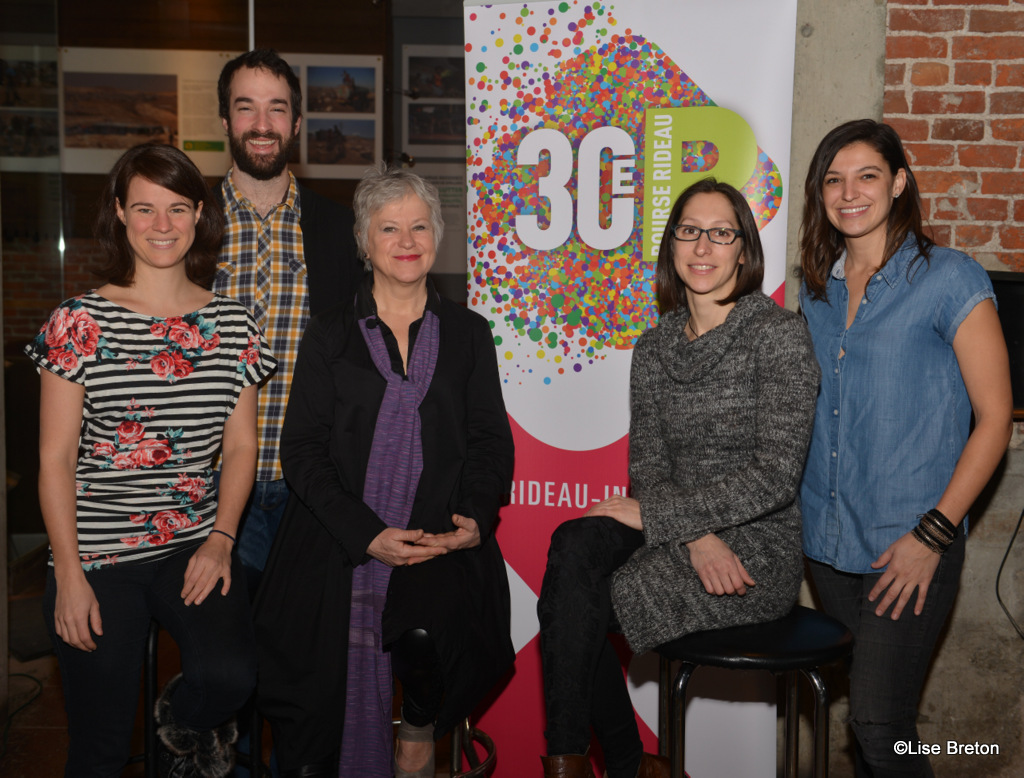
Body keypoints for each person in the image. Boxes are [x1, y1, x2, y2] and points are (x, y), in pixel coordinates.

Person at [538, 178, 821, 778]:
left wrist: (673, 522)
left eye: (722, 234)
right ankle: (591, 763)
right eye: (689, 231)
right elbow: (649, 468)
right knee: (574, 545)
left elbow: (775, 476)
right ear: (671, 246)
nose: (703, 247)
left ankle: (616, 764)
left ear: (744, 250)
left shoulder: (778, 335)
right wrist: (693, 535)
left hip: (757, 549)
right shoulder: (654, 346)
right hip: (683, 532)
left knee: (574, 604)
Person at [253, 165, 515, 778]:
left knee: (427, 635)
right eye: (389, 227)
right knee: (310, 701)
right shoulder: (330, 335)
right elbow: (303, 451)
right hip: (338, 541)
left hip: (437, 541)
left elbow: (489, 442)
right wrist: (366, 533)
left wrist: (475, 519)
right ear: (363, 240)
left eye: (419, 226)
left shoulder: (470, 335)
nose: (406, 240)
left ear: (439, 235)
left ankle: (417, 735)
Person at [28, 143, 276, 777]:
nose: (161, 225)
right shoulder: (78, 321)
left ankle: (179, 730)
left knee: (231, 677)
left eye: (176, 208)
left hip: (190, 545)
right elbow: (54, 459)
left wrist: (222, 540)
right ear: (119, 213)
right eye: (144, 208)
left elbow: (242, 445)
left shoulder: (234, 324)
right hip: (97, 553)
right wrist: (70, 576)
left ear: (199, 214)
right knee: (101, 744)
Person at [798, 119, 1012, 777]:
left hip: (911, 543)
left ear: (898, 183)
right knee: (875, 727)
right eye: (833, 180)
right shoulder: (815, 289)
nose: (849, 192)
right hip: (828, 546)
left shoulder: (950, 278)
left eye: (866, 175)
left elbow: (996, 419)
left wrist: (934, 535)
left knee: (877, 722)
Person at [214, 48, 363, 588]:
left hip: (309, 488)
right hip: (211, 491)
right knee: (227, 663)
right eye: (246, 108)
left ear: (296, 123)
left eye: (276, 109)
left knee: (299, 659)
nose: (261, 125)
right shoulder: (186, 229)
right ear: (226, 120)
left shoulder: (341, 232)